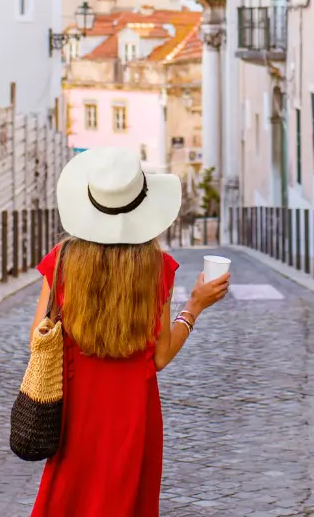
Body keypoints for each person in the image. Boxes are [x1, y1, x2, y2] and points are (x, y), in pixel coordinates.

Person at [28, 147, 230, 517]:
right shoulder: (157, 268)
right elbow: (161, 356)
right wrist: (194, 307)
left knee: (68, 497)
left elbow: (37, 340)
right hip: (134, 413)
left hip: (76, 408)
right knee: (126, 499)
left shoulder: (62, 261)